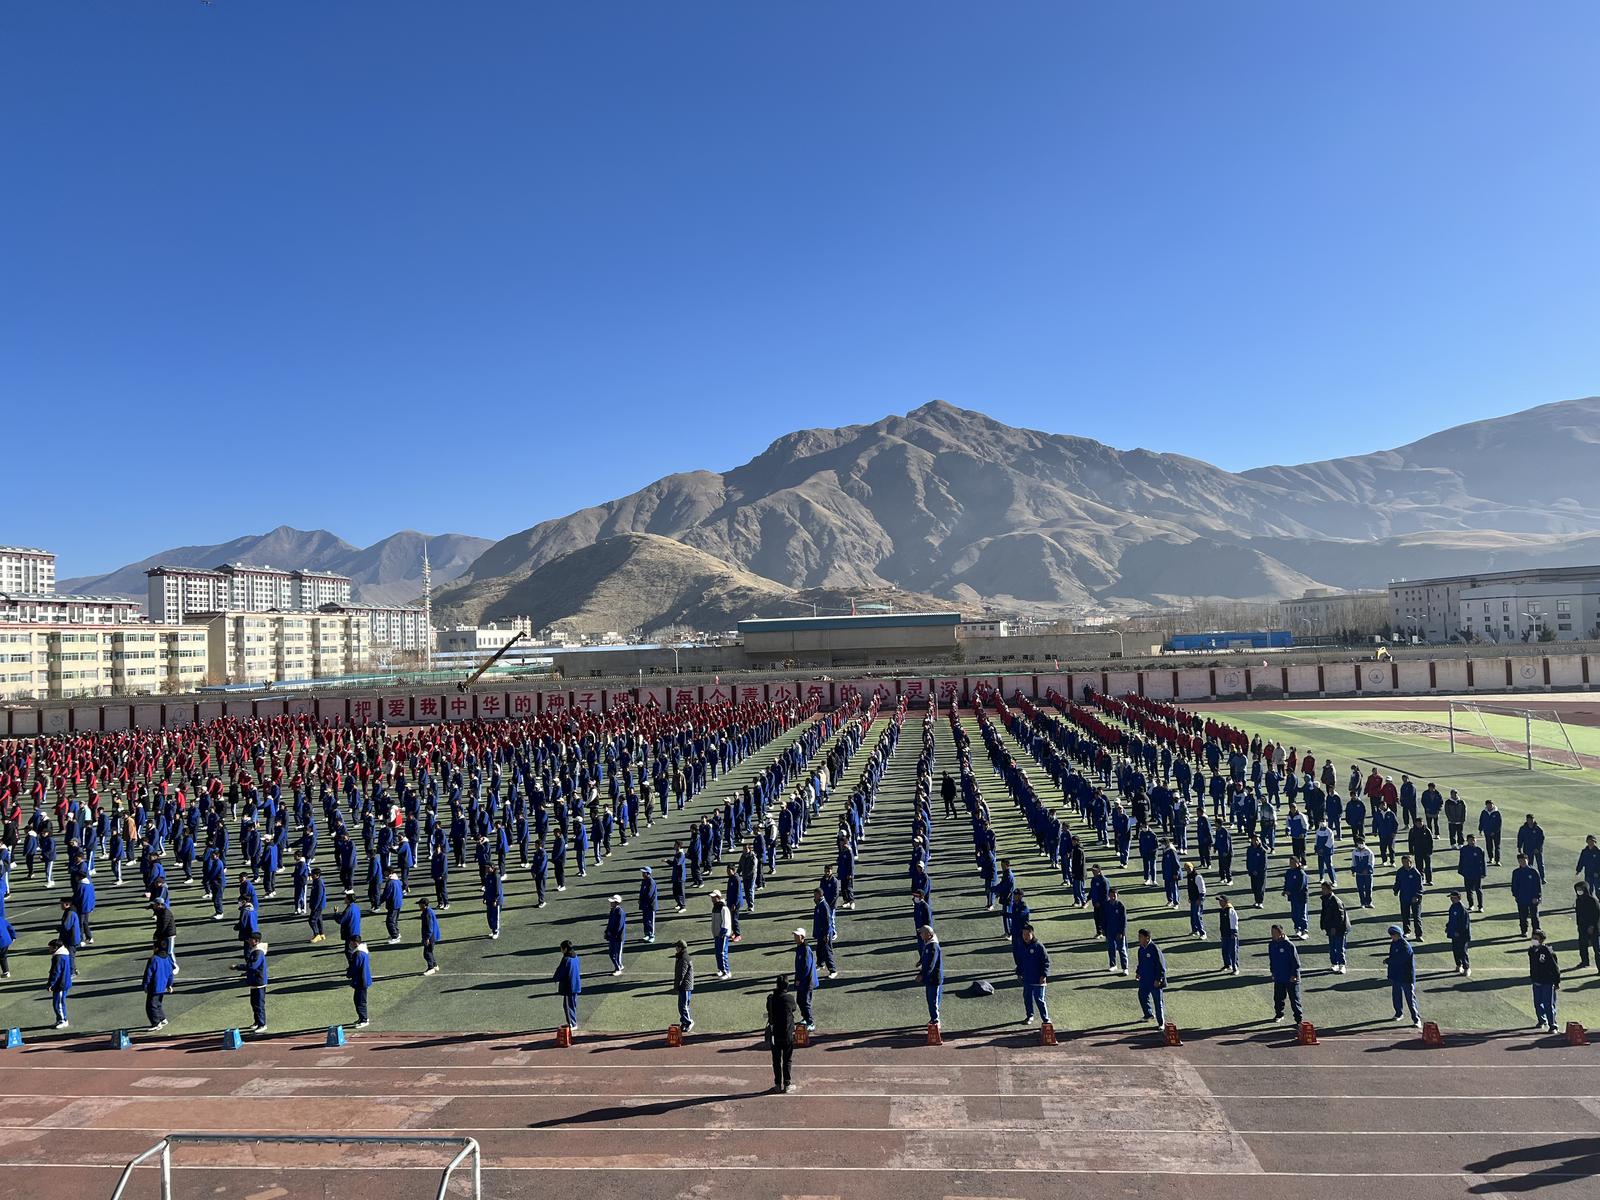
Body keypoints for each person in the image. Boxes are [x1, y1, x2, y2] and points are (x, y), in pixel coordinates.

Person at [765, 976, 799, 1093]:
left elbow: (768, 1009)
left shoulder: (771, 998)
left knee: (776, 1060)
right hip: (787, 1033)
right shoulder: (789, 998)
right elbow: (794, 1008)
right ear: (787, 986)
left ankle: (777, 1085)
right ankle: (787, 1084)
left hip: (775, 1034)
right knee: (787, 1060)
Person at [1385, 925, 1421, 1030]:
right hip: (1397, 976)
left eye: (1393, 935)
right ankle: (1398, 1013)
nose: (1392, 937)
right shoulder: (1394, 944)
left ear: (1398, 935)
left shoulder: (1405, 946)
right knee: (1396, 996)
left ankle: (1416, 1019)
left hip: (1406, 977)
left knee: (1410, 999)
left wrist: (1388, 961)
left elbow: (1399, 960)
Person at [1267, 924, 1303, 1024]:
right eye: (1272, 932)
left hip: (1290, 977)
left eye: (1274, 933)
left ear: (1280, 933)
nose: (1272, 935)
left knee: (1294, 999)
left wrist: (1294, 975)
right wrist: (1273, 972)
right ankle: (1279, 1014)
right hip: (1279, 976)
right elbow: (1272, 960)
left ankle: (1298, 1019)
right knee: (1278, 998)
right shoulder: (1272, 945)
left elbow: (1296, 962)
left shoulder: (1289, 945)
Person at [1527, 930, 1562, 1033]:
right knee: (1537, 1003)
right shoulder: (1531, 951)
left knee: (1548, 1004)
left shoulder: (1547, 951)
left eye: (1536, 938)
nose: (1534, 940)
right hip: (1536, 981)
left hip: (1547, 981)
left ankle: (1553, 1025)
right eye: (1533, 938)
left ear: (1542, 940)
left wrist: (1556, 981)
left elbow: (1555, 967)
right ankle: (1542, 1020)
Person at [1016, 924, 1051, 1026]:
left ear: (1032, 934)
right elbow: (1020, 962)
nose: (1025, 936)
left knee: (1039, 1000)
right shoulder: (1021, 946)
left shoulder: (1039, 946)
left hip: (1038, 979)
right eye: (1024, 934)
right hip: (1027, 979)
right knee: (1027, 998)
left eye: (1027, 934)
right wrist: (1019, 973)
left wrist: (1043, 975)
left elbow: (1046, 962)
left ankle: (1046, 1019)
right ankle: (1029, 1016)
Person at [1135, 928, 1167, 1027]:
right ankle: (1148, 1014)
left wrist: (1159, 979)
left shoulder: (1154, 949)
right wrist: (1138, 972)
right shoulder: (1141, 949)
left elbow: (1161, 965)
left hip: (1154, 981)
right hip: (1144, 980)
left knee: (1158, 1002)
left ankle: (1161, 1023)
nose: (1139, 938)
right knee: (1142, 996)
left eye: (1141, 936)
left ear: (1147, 938)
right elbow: (1141, 963)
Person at [142, 943, 175, 1031]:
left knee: (151, 1006)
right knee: (158, 1003)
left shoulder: (154, 959)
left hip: (154, 986)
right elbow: (170, 973)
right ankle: (162, 1018)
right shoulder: (167, 958)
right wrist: (169, 985)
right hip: (163, 986)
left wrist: (145, 985)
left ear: (156, 948)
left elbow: (148, 974)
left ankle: (156, 1023)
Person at [1319, 881, 1349, 974]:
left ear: (1329, 889)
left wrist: (1334, 928)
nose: (1322, 890)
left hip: (1339, 929)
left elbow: (1340, 917)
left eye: (1324, 889)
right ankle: (1334, 964)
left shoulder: (1335, 901)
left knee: (1339, 947)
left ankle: (1342, 965)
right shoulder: (1326, 899)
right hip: (1331, 928)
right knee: (1332, 947)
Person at [1393, 855, 1424, 940]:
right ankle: (1407, 931)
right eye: (1403, 862)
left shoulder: (1416, 873)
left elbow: (1420, 887)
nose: (1405, 864)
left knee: (1417, 917)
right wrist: (1395, 890)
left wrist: (1417, 896)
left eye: (1406, 862)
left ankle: (1418, 935)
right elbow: (1398, 882)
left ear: (1410, 862)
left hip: (1415, 899)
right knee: (1405, 916)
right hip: (1404, 897)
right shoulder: (1400, 871)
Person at [793, 929, 819, 1030]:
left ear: (802, 937)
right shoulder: (800, 947)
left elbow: (807, 967)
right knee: (800, 1000)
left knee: (805, 1002)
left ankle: (810, 1022)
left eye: (797, 936)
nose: (795, 937)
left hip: (807, 981)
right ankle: (805, 1017)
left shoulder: (806, 949)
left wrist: (799, 979)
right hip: (802, 980)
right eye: (794, 935)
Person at [1511, 853, 1543, 935]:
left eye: (1523, 860)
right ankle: (1524, 931)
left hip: (1533, 898)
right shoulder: (1516, 872)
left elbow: (1538, 885)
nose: (1522, 862)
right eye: (1520, 861)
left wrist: (1537, 897)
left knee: (1534, 916)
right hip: (1521, 898)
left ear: (1527, 860)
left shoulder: (1533, 872)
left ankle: (1536, 932)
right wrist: (1516, 895)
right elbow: (1514, 885)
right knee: (1522, 916)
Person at [554, 940, 582, 1031]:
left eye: (561, 948)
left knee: (568, 1006)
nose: (561, 950)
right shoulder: (575, 956)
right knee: (572, 1005)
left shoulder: (566, 959)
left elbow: (561, 972)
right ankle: (572, 1022)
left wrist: (556, 978)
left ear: (565, 949)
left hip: (568, 986)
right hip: (575, 984)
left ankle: (572, 1024)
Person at [918, 925, 943, 1026]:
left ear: (928, 934)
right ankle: (933, 1019)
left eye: (922, 933)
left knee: (933, 1000)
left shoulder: (933, 946)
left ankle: (936, 1020)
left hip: (934, 978)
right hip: (930, 978)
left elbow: (930, 965)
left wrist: (921, 975)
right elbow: (926, 957)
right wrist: (921, 961)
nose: (920, 935)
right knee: (931, 1000)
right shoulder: (928, 943)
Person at [1445, 890, 1472, 977]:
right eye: (1451, 898)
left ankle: (1466, 968)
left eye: (1453, 897)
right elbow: (1451, 919)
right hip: (1454, 934)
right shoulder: (1452, 907)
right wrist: (1448, 927)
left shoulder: (1462, 909)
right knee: (1455, 950)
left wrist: (1459, 932)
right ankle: (1458, 965)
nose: (1451, 899)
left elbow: (1465, 924)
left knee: (1463, 951)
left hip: (1462, 935)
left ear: (1458, 898)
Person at [245, 934, 268, 1032]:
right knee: (254, 1003)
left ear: (256, 940)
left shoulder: (258, 952)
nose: (249, 941)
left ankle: (262, 1024)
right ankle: (257, 1022)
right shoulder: (255, 950)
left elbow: (253, 966)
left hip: (259, 982)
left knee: (259, 1004)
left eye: (251, 939)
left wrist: (238, 967)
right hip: (255, 981)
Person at [347, 936, 372, 1029]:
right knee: (359, 1000)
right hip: (363, 979)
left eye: (351, 942)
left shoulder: (358, 954)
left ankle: (364, 1019)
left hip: (361, 980)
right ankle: (362, 1018)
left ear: (355, 943)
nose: (350, 944)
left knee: (360, 1001)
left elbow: (355, 967)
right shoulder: (363, 951)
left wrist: (349, 973)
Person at [47, 938, 72, 1029]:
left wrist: (51, 984)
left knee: (59, 1003)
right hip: (63, 982)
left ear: (55, 947)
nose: (49, 949)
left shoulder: (58, 957)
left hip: (61, 984)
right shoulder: (64, 954)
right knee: (58, 1003)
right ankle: (60, 1019)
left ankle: (63, 1020)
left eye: (50, 947)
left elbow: (56, 972)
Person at [1103, 886, 1129, 974]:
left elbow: (1124, 921)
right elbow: (1104, 919)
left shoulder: (1121, 906)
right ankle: (1113, 965)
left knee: (1122, 949)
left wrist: (1121, 932)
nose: (1113, 897)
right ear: (1108, 895)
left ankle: (1125, 968)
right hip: (1109, 931)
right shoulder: (1106, 905)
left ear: (1117, 895)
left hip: (1119, 932)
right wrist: (1104, 930)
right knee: (1111, 948)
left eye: (1114, 895)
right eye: (1111, 895)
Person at [1575, 882, 1600, 973]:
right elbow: (1579, 914)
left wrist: (1592, 926)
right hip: (1582, 927)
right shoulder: (1578, 900)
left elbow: (1596, 914)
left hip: (1593, 928)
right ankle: (1584, 961)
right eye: (1577, 889)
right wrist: (1579, 925)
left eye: (1580, 889)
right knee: (1582, 946)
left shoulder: (1592, 900)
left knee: (1597, 949)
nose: (1579, 891)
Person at [711, 891, 734, 979]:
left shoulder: (723, 908)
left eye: (713, 897)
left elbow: (726, 922)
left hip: (722, 935)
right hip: (717, 934)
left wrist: (722, 933)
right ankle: (721, 970)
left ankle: (727, 972)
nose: (712, 899)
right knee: (718, 953)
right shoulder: (715, 907)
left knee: (722, 953)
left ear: (718, 897)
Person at [673, 939, 694, 1032]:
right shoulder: (682, 957)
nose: (675, 948)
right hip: (684, 985)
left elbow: (681, 974)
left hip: (685, 986)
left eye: (677, 947)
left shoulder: (684, 958)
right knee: (682, 1005)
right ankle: (684, 1022)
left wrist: (677, 986)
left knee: (683, 1005)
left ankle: (689, 1022)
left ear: (681, 948)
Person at [605, 895, 627, 976]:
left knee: (617, 954)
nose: (610, 903)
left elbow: (619, 926)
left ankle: (618, 969)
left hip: (618, 937)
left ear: (616, 903)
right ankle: (619, 966)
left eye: (612, 902)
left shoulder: (620, 912)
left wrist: (612, 933)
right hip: (612, 936)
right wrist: (607, 932)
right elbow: (610, 923)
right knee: (611, 953)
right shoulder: (612, 911)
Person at [420, 897, 442, 977]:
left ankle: (431, 968)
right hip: (432, 935)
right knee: (430, 951)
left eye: (420, 904)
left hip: (430, 936)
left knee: (427, 953)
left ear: (423, 905)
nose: (419, 906)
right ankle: (435, 965)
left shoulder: (427, 913)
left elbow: (430, 927)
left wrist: (427, 938)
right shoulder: (428, 911)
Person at [1218, 894, 1239, 974]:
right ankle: (1227, 964)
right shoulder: (1222, 910)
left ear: (1225, 901)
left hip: (1231, 934)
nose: (1219, 902)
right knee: (1225, 950)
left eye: (1221, 901)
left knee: (1233, 951)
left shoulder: (1230, 910)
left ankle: (1235, 968)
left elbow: (1234, 921)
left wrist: (1234, 932)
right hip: (1224, 934)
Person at [380, 870, 403, 944]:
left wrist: (379, 902)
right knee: (394, 920)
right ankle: (397, 933)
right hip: (398, 902)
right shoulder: (397, 880)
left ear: (388, 872)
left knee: (390, 921)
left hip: (393, 904)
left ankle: (395, 936)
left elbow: (386, 894)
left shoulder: (390, 882)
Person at [639, 867, 658, 943]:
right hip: (645, 905)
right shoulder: (644, 881)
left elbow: (649, 895)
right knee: (645, 921)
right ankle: (647, 934)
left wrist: (642, 900)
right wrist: (640, 899)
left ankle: (652, 935)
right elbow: (642, 892)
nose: (642, 874)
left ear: (648, 873)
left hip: (650, 906)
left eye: (644, 872)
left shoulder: (651, 882)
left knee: (650, 921)